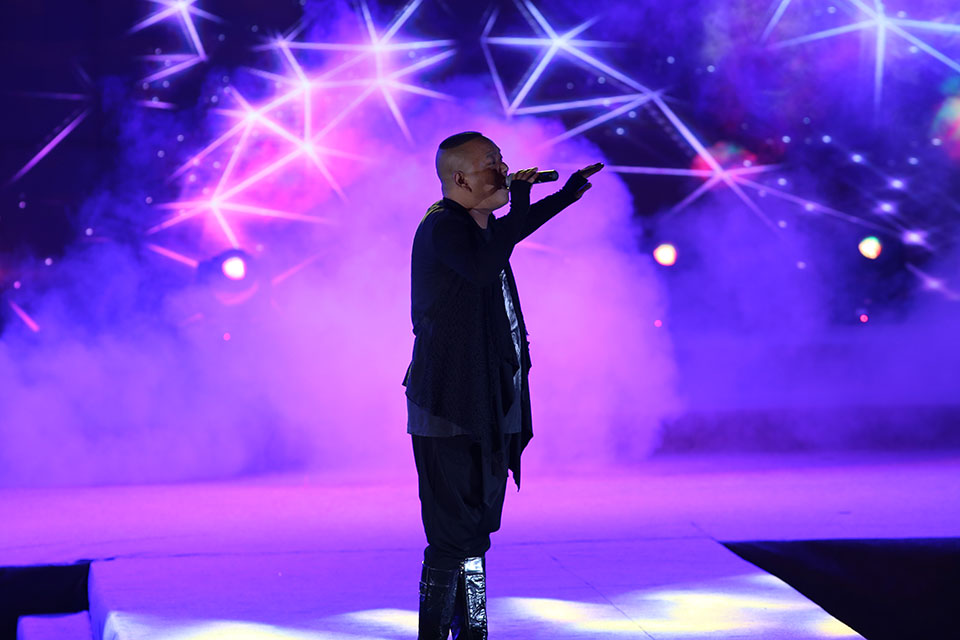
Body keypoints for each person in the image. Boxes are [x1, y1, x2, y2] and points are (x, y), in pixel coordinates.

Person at [403, 131, 602, 639]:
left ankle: (471, 632)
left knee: (475, 532)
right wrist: (523, 199)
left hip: (487, 401)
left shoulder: (479, 227)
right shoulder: (443, 226)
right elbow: (482, 264)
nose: (505, 170)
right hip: (448, 404)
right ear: (461, 178)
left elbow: (504, 239)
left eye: (502, 159)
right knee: (452, 534)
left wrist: (564, 195)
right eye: (492, 163)